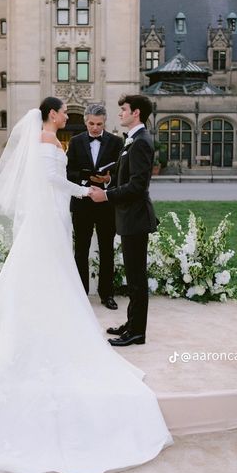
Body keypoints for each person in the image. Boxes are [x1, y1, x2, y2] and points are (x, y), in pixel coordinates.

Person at [0, 97, 171, 473]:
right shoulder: (48, 140)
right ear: (52, 115)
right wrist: (84, 192)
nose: (70, 116)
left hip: (57, 213)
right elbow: (50, 181)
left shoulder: (53, 137)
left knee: (55, 271)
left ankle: (59, 317)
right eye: (65, 111)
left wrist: (89, 192)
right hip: (53, 213)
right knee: (53, 269)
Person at [90, 94, 158, 347]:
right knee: (133, 276)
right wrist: (108, 181)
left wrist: (106, 195)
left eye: (124, 109)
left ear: (136, 113)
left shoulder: (140, 142)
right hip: (129, 218)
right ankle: (131, 323)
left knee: (137, 279)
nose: (120, 114)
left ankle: (137, 332)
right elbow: (126, 178)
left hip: (136, 218)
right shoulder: (133, 140)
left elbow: (138, 186)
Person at [66, 104, 123, 310]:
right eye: (91, 123)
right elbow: (68, 171)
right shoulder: (75, 141)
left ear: (105, 122)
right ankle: (81, 294)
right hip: (82, 204)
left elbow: (121, 174)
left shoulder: (117, 142)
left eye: (99, 124)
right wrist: (84, 179)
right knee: (80, 250)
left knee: (107, 250)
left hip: (106, 204)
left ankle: (107, 294)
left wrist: (108, 179)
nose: (95, 128)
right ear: (85, 122)